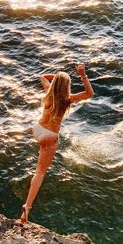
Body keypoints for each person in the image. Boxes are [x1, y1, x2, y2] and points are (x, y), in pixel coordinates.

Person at [19, 64, 94, 224]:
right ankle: (27, 207)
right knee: (40, 173)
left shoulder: (48, 92)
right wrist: (83, 75)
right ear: (66, 86)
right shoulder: (67, 99)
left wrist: (58, 77)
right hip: (49, 136)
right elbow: (89, 93)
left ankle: (27, 205)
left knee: (38, 170)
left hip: (37, 130)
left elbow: (43, 77)